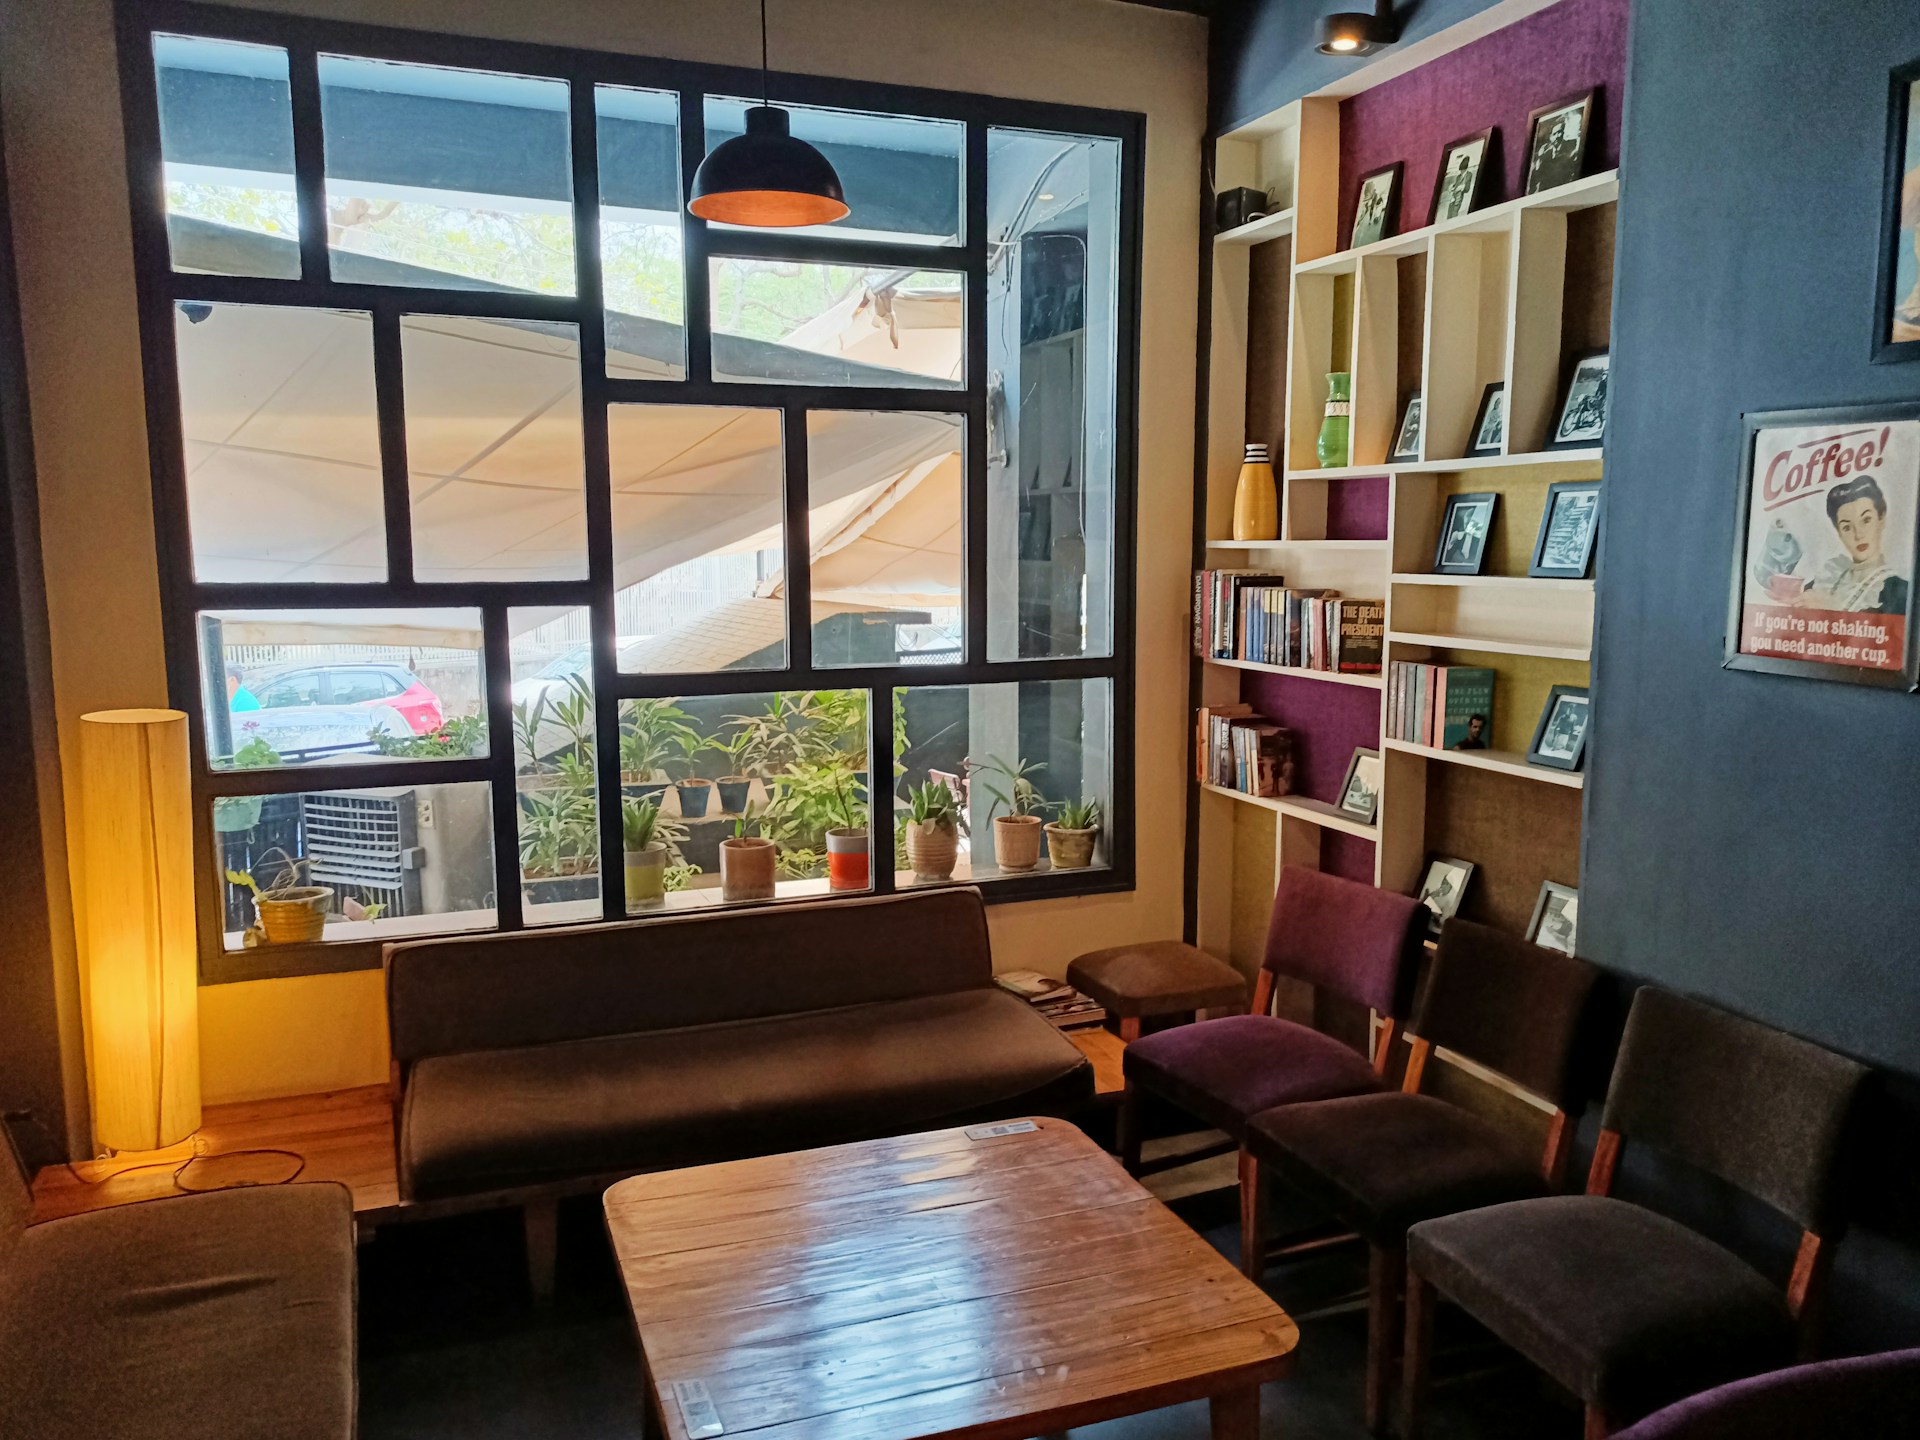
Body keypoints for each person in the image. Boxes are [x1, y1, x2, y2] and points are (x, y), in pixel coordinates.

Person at [1796, 474, 1910, 616]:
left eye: (1866, 520)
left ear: (1881, 517)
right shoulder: (1821, 582)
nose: (1858, 535)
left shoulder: (1901, 594)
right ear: (1839, 532)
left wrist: (1834, 611)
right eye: (1847, 527)